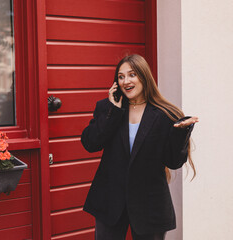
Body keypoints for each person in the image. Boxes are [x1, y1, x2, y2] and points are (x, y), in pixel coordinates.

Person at [81, 54, 199, 240]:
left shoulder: (164, 114)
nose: (125, 81)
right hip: (110, 199)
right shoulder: (108, 108)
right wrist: (113, 112)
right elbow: (90, 143)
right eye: (121, 76)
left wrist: (180, 134)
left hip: (150, 203)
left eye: (132, 75)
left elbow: (174, 161)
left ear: (144, 77)